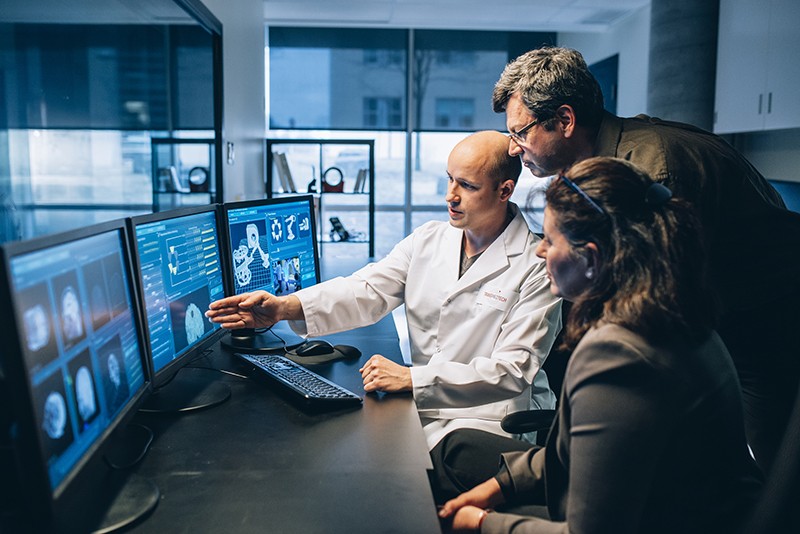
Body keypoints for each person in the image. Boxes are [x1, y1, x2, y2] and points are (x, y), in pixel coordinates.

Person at [492, 46, 800, 473]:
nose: (513, 148)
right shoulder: (605, 159)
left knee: (771, 471)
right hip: (724, 305)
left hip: (766, 314)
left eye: (520, 132)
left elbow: (651, 304)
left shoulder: (650, 171)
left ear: (565, 121)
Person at [437, 156, 763, 533]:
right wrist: (500, 486)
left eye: (550, 240)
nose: (540, 251)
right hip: (672, 504)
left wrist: (483, 525)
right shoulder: (670, 307)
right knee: (455, 450)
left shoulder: (620, 353)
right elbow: (573, 454)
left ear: (590, 258)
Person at [206, 130, 563, 450]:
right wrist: (284, 307)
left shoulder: (536, 264)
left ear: (504, 190)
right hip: (423, 405)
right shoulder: (429, 239)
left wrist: (412, 378)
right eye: (449, 180)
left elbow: (512, 371)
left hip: (486, 420)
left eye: (467, 186)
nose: (450, 196)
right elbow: (367, 289)